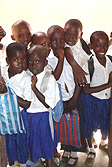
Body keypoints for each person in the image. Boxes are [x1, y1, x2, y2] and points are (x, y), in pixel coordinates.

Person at [47, 25, 87, 166]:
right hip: (59, 99)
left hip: (74, 96)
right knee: (63, 126)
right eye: (54, 40)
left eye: (61, 40)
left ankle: (74, 154)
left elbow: (79, 79)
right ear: (49, 41)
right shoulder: (48, 59)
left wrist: (75, 98)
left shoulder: (73, 55)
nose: (58, 43)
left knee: (76, 125)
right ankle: (65, 151)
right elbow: (52, 81)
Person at [82, 31, 112, 166]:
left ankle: (103, 142)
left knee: (106, 122)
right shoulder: (89, 64)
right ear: (91, 46)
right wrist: (108, 84)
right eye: (98, 46)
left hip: (106, 100)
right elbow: (86, 90)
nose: (102, 49)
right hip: (92, 100)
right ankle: (91, 149)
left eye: (105, 45)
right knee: (89, 125)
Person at [0, 42, 31, 167]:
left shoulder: (26, 79)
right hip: (6, 116)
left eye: (23, 59)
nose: (20, 63)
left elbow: (27, 104)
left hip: (20, 116)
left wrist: (8, 93)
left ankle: (23, 164)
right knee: (8, 143)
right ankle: (10, 163)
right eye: (15, 60)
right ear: (7, 60)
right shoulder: (2, 72)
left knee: (22, 142)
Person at [30, 31, 64, 160]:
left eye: (48, 44)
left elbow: (53, 78)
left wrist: (61, 58)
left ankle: (50, 154)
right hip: (32, 111)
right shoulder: (30, 65)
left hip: (46, 109)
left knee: (48, 135)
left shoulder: (46, 65)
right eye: (43, 44)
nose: (47, 47)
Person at [25, 45, 60, 167]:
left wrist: (34, 88)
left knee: (47, 145)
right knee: (32, 142)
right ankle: (35, 161)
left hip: (43, 117)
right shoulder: (26, 75)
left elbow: (48, 103)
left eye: (38, 61)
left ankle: (49, 164)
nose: (34, 64)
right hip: (29, 117)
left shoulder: (49, 78)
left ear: (45, 62)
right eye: (30, 61)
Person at [64, 19, 91, 87]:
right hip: (71, 86)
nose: (70, 38)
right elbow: (67, 50)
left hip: (86, 82)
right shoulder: (63, 45)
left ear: (80, 35)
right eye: (68, 34)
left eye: (75, 35)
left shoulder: (84, 43)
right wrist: (75, 66)